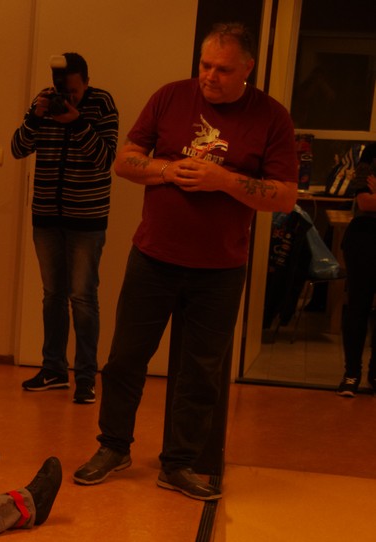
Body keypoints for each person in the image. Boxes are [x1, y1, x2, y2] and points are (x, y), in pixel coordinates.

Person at [73, 23, 298, 500]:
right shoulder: (170, 97)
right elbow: (125, 161)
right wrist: (166, 170)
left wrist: (225, 181)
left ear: (248, 68)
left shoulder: (272, 117)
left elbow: (284, 197)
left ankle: (179, 463)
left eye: (223, 69)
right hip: (153, 257)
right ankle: (113, 447)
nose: (210, 77)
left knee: (200, 371)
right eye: (204, 65)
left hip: (220, 269)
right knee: (126, 359)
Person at [11, 52, 119, 403]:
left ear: (86, 82)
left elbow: (105, 158)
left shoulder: (101, 104)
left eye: (73, 91)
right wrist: (35, 117)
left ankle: (86, 377)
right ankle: (53, 370)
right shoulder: (44, 102)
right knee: (52, 296)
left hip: (87, 218)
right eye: (62, 91)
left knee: (83, 298)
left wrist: (76, 122)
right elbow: (17, 149)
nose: (67, 97)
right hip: (46, 216)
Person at [336, 149, 376, 397]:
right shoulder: (371, 154)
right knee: (357, 307)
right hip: (364, 239)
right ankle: (351, 373)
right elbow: (365, 203)